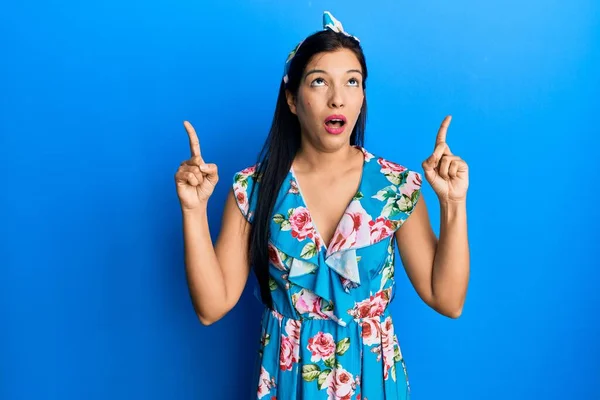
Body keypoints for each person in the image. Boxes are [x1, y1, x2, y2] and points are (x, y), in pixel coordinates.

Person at [174, 11, 470, 400]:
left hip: (373, 384)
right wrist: (193, 211)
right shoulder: (254, 189)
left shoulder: (396, 188)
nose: (338, 98)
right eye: (319, 82)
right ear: (292, 99)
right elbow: (211, 308)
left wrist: (452, 203)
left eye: (352, 81)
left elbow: (447, 300)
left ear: (362, 95)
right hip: (289, 383)